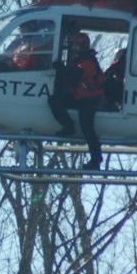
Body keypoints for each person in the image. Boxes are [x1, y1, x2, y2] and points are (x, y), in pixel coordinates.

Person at [48, 32, 104, 170]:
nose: (75, 48)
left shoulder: (88, 60)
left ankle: (96, 160)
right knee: (55, 101)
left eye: (77, 45)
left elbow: (77, 75)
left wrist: (61, 68)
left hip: (91, 98)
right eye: (74, 45)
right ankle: (68, 126)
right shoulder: (79, 60)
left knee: (87, 127)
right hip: (81, 96)